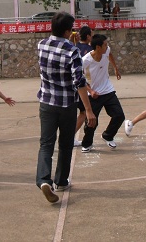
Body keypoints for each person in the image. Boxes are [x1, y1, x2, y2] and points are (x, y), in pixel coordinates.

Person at [36, 12, 96, 204]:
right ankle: (61, 180)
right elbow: (79, 81)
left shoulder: (41, 45)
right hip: (67, 104)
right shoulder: (72, 51)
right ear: (68, 30)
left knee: (46, 144)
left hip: (46, 101)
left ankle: (44, 180)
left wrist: (71, 42)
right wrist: (88, 110)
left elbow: (56, 53)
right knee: (65, 143)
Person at [80, 34, 124, 152]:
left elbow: (110, 54)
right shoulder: (85, 60)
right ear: (98, 47)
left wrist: (115, 68)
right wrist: (91, 91)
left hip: (108, 90)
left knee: (119, 116)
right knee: (92, 121)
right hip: (94, 94)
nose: (107, 46)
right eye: (105, 45)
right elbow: (79, 79)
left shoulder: (106, 51)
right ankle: (87, 143)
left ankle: (108, 135)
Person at [73, 25, 93, 146]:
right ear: (88, 36)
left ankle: (68, 137)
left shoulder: (74, 47)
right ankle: (69, 137)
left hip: (72, 84)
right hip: (82, 84)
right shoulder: (91, 50)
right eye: (91, 34)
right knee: (84, 112)